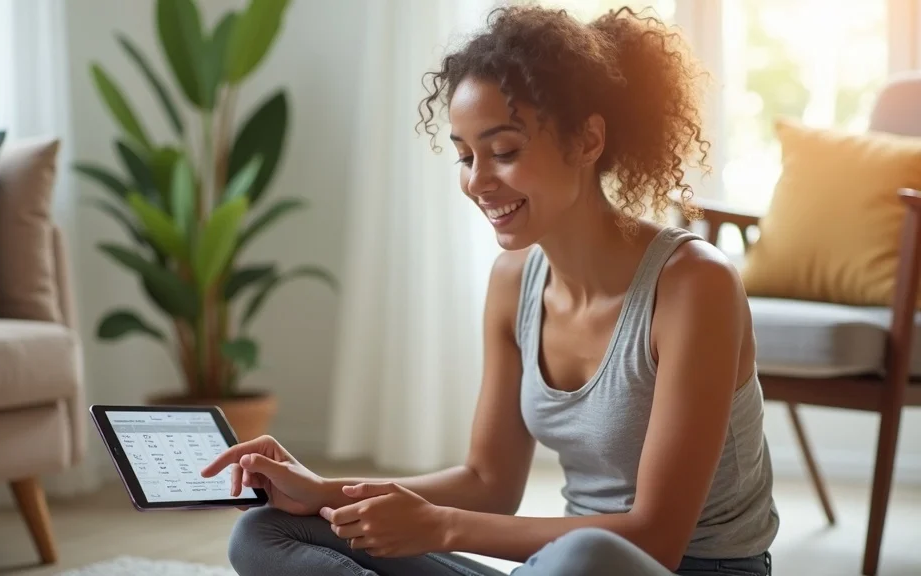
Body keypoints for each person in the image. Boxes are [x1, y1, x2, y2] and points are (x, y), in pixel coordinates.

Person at [200, 4, 780, 575]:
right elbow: (488, 482)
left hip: (677, 567)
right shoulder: (514, 281)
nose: (478, 181)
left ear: (586, 141)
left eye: (503, 151)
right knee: (266, 531)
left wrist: (439, 527)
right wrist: (323, 489)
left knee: (584, 556)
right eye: (464, 155)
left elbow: (655, 542)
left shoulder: (693, 284)